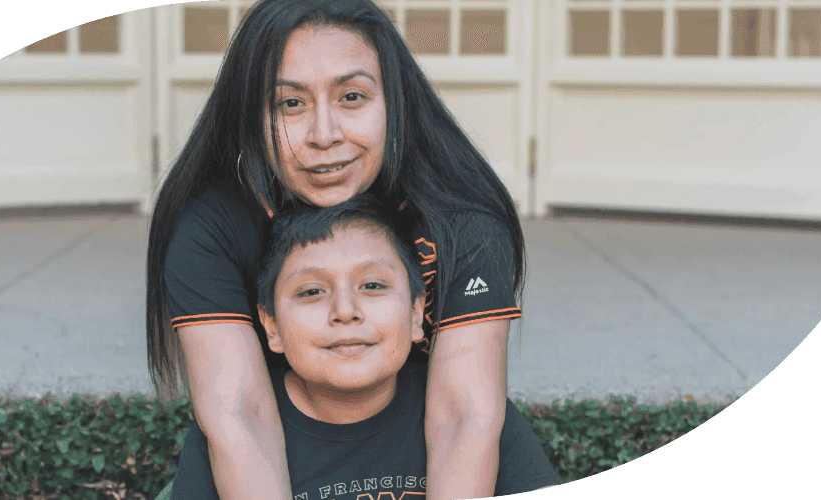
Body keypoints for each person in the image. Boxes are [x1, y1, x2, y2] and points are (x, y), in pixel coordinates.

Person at [145, 0, 526, 498]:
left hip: (414, 447)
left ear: (393, 100)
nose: (324, 136)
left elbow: (463, 415)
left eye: (351, 96)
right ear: (250, 115)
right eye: (290, 103)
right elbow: (241, 414)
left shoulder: (463, 219)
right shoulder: (210, 227)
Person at [168, 197, 558, 500]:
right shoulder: (227, 434)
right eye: (311, 291)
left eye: (372, 285)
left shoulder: (478, 415)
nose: (345, 312)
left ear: (415, 313)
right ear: (271, 326)